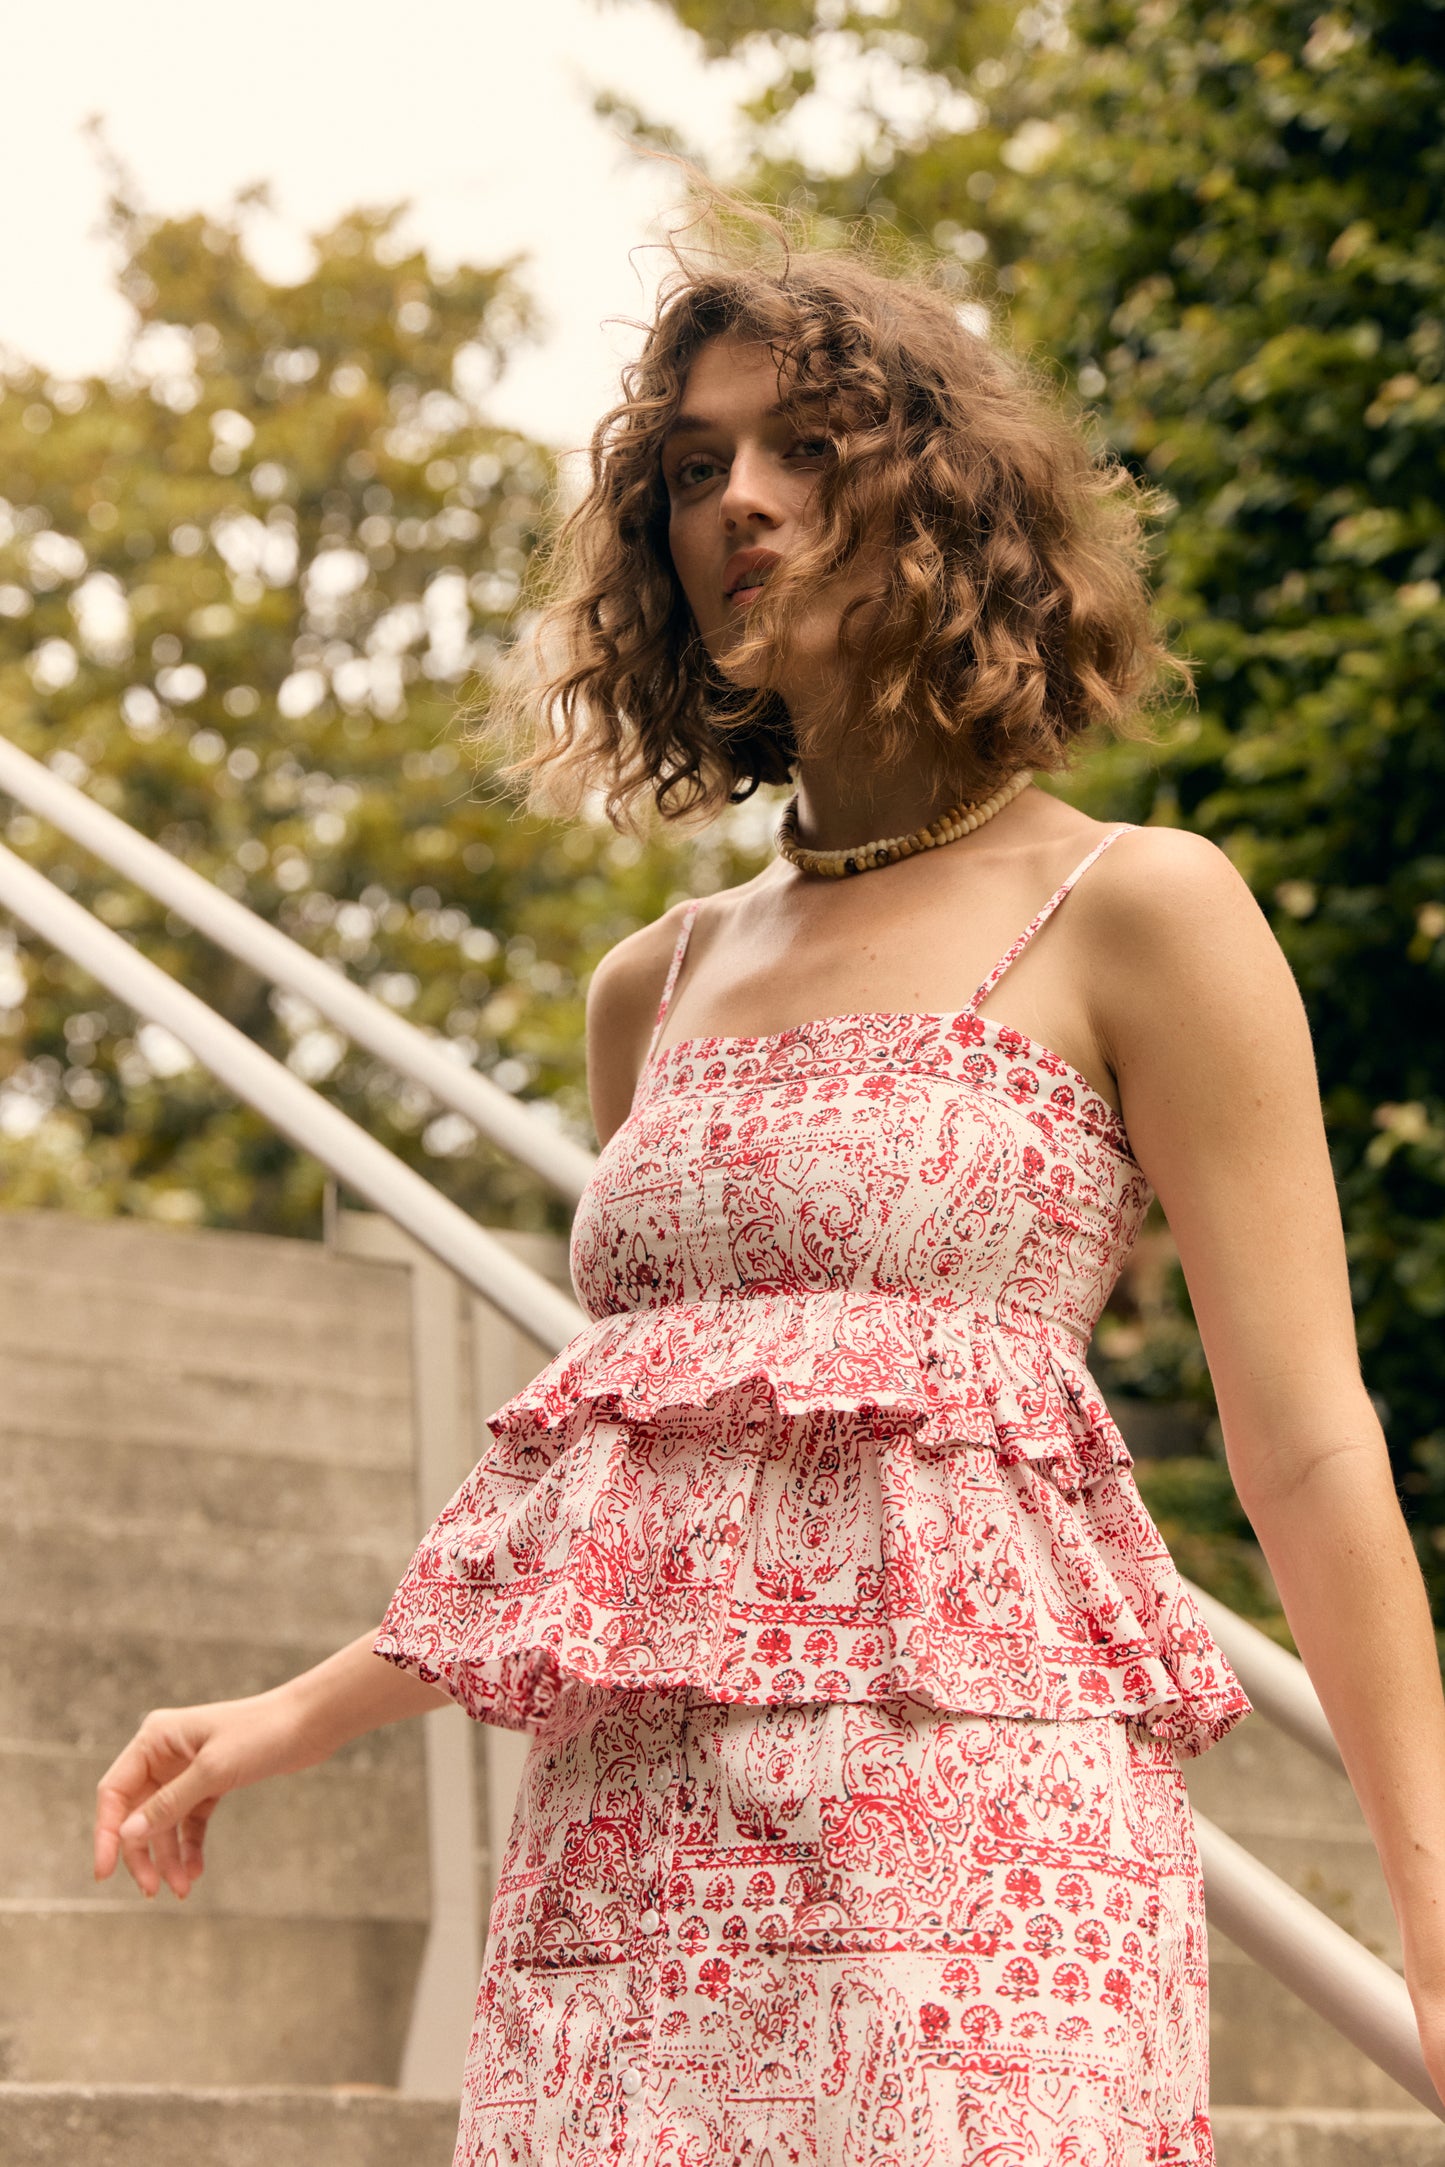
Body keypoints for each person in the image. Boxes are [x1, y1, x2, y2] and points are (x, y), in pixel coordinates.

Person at [94, 178, 1445, 2165]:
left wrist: (1431, 1904)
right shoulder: (661, 981)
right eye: (697, 463)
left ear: (950, 507)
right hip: (629, 1877)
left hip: (980, 1870)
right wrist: (287, 1715)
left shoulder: (1137, 911)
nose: (743, 499)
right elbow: (640, 1496)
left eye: (810, 451)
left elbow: (1310, 1450)